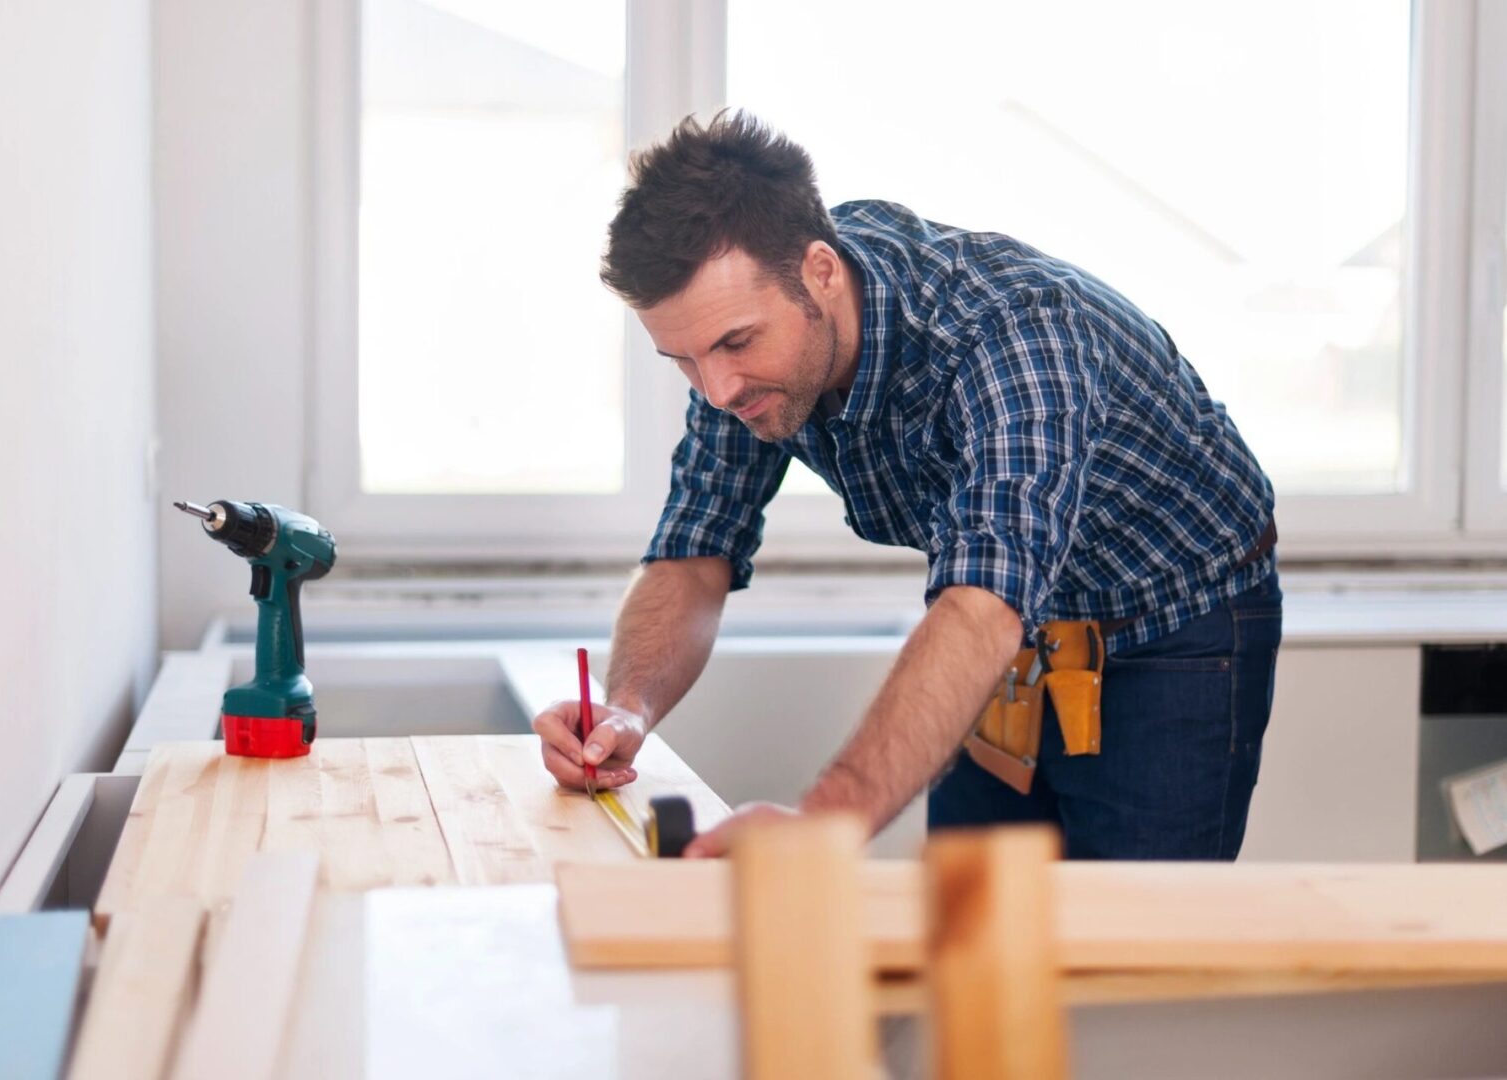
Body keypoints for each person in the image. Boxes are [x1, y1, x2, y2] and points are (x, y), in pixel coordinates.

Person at [531, 111, 1282, 860]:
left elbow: (986, 603)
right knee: (964, 929)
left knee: (1123, 948)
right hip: (1014, 641)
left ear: (820, 273)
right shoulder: (742, 346)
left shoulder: (1012, 330)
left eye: (735, 343)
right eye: (685, 361)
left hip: (1172, 621)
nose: (717, 388)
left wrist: (826, 820)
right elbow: (696, 547)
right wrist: (625, 710)